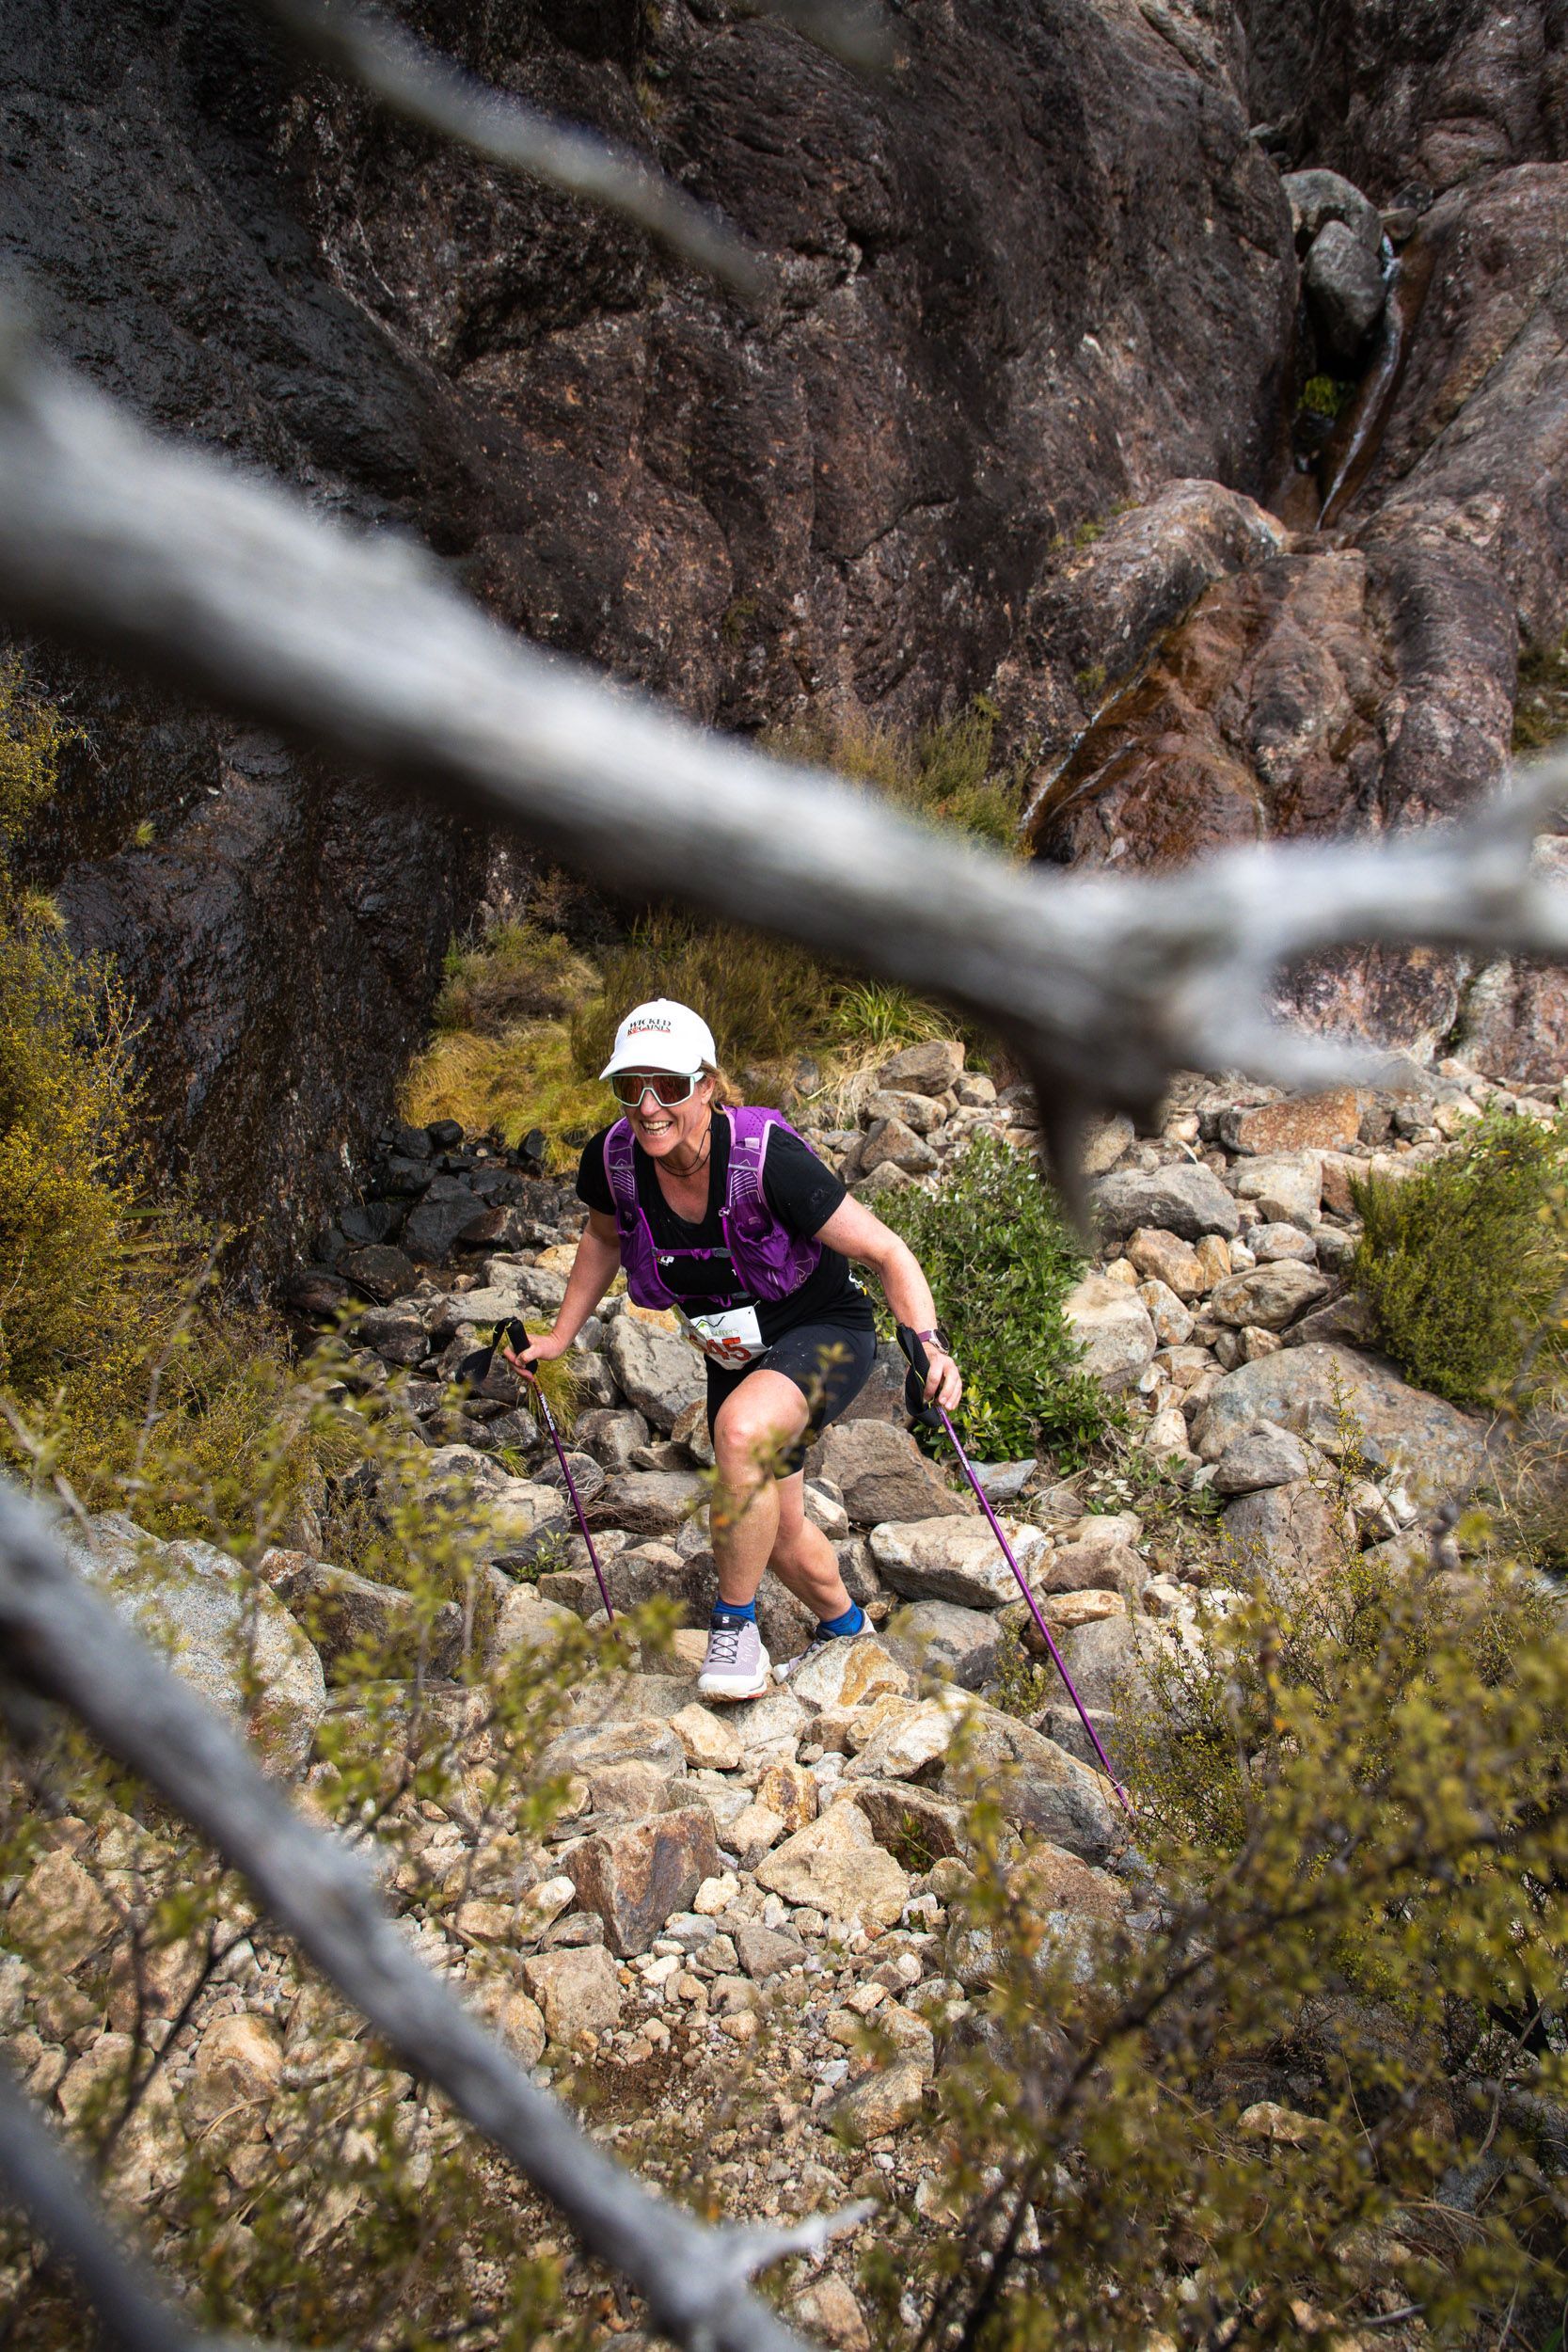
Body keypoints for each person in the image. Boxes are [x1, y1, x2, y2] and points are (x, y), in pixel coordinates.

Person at [505, 996, 961, 1700]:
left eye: (670, 1086)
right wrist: (559, 1338)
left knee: (741, 1432)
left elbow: (886, 1252)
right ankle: (846, 1635)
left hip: (822, 1332)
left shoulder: (767, 1157)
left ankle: (735, 1634)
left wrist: (928, 1346)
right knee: (772, 1531)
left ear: (707, 1086)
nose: (649, 1106)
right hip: (733, 1351)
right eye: (631, 1087)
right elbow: (601, 1238)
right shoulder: (613, 1159)